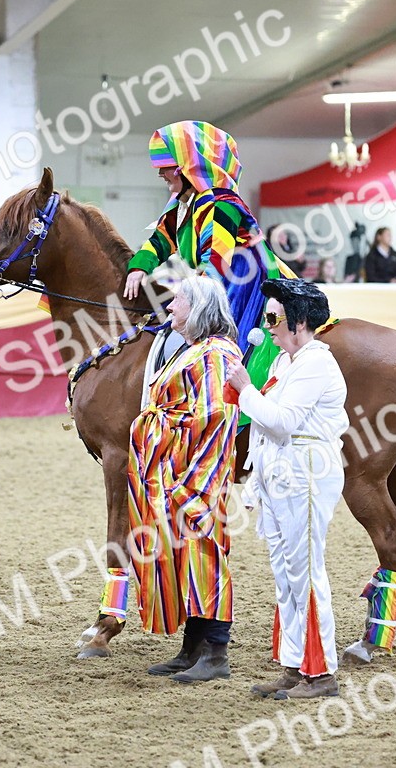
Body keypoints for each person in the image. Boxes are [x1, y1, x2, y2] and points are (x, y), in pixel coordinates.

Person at [226, 279, 348, 700]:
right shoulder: (284, 362)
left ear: (299, 322)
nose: (268, 326)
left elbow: (282, 421)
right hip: (280, 472)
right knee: (286, 573)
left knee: (306, 570)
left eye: (274, 318)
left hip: (307, 472)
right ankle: (296, 664)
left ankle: (323, 671)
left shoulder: (315, 363)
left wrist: (244, 389)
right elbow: (266, 421)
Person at [128, 274, 243, 684]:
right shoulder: (196, 350)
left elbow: (216, 418)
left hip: (196, 476)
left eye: (177, 301)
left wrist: (195, 481)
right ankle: (193, 648)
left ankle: (216, 652)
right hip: (174, 471)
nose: (170, 307)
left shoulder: (215, 355)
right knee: (187, 559)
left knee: (205, 556)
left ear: (198, 308)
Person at [121, 120, 288, 392]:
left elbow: (216, 263)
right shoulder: (183, 205)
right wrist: (138, 267)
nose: (160, 173)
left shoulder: (221, 204)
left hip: (241, 283)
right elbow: (161, 240)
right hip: (214, 281)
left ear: (188, 169)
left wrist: (184, 297)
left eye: (166, 166)